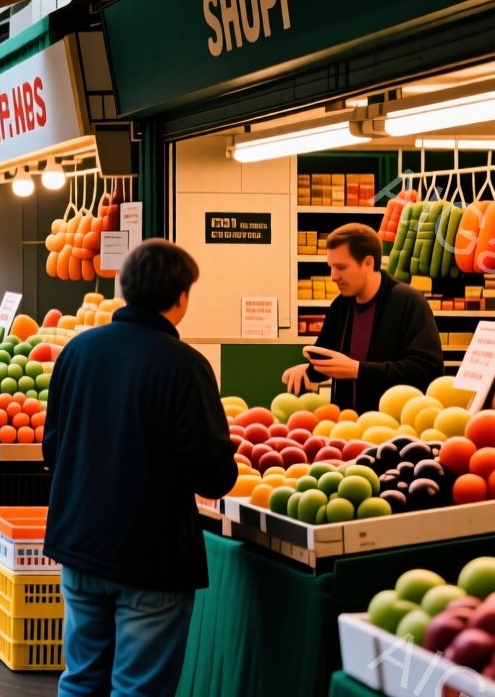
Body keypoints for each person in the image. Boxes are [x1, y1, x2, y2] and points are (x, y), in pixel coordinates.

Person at [43, 239, 237, 696]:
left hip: (80, 543)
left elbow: (53, 446)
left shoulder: (77, 352)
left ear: (124, 288)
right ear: (181, 296)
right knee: (139, 689)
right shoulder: (186, 366)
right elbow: (211, 473)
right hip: (152, 554)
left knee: (80, 679)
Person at [282, 223, 442, 411]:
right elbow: (329, 360)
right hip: (346, 427)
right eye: (331, 267)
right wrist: (309, 370)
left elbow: (427, 369)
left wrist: (358, 370)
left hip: (393, 429)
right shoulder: (340, 306)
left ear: (368, 262)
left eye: (341, 267)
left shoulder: (409, 301)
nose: (333, 276)